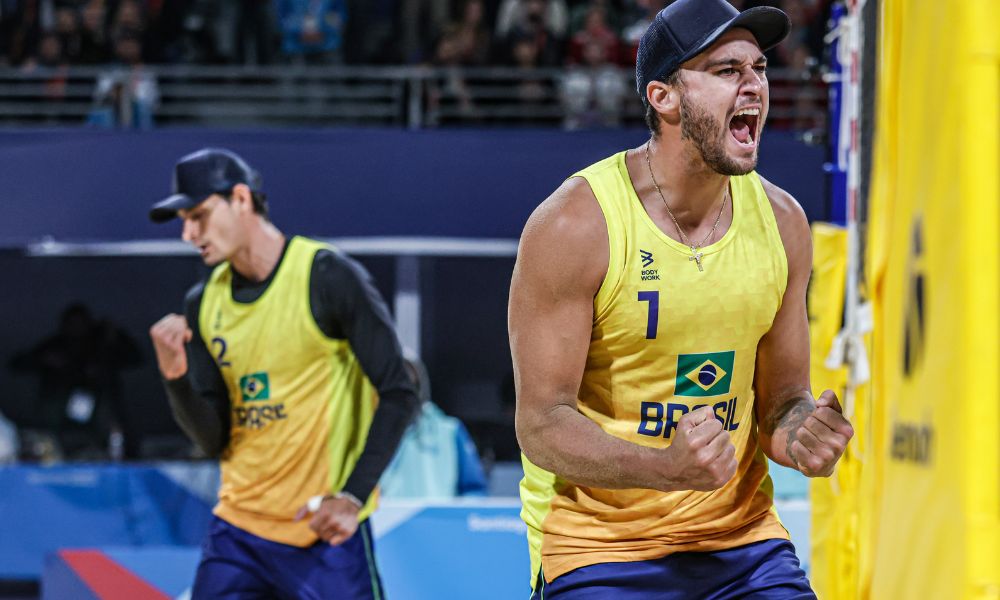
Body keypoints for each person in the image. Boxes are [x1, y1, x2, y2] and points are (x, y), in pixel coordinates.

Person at [508, 0, 855, 597]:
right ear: (665, 97)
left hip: (742, 545)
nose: (755, 86)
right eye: (727, 72)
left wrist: (803, 436)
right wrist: (666, 469)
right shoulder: (575, 225)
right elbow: (541, 426)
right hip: (602, 548)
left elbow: (781, 404)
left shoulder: (782, 222)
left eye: (760, 69)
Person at [147, 148, 419, 599]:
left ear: (240, 199)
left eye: (198, 216)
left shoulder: (325, 275)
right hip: (238, 531)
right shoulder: (203, 302)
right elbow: (215, 440)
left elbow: (399, 392)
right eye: (183, 221)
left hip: (321, 531)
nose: (187, 234)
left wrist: (352, 496)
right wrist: (175, 379)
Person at [8, 303, 141, 460]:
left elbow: (136, 358)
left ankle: (116, 456)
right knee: (50, 416)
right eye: (72, 324)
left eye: (81, 323)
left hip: (96, 401)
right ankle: (49, 453)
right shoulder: (57, 344)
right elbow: (17, 364)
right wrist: (42, 360)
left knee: (109, 418)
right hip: (63, 404)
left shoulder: (101, 342)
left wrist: (117, 337)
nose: (76, 328)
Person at [379, 350, 488, 499]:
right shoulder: (363, 433)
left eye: (410, 381)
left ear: (420, 385)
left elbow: (474, 490)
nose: (403, 390)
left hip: (438, 521)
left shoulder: (449, 431)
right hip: (383, 520)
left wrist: (456, 518)